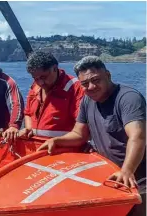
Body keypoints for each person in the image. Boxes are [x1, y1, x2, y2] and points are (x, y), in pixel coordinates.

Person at [38, 56, 146, 216]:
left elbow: (137, 137)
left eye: (96, 80)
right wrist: (56, 140)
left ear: (108, 75)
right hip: (111, 174)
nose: (91, 87)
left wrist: (127, 170)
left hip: (137, 178)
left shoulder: (128, 98)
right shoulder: (87, 101)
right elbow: (78, 134)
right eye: (85, 84)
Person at [19, 51, 84, 138]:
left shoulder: (75, 88)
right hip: (37, 147)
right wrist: (29, 128)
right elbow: (28, 113)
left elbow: (83, 125)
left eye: (43, 77)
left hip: (63, 148)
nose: (40, 83)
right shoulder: (35, 87)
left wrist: (56, 142)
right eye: (35, 78)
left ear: (54, 68)